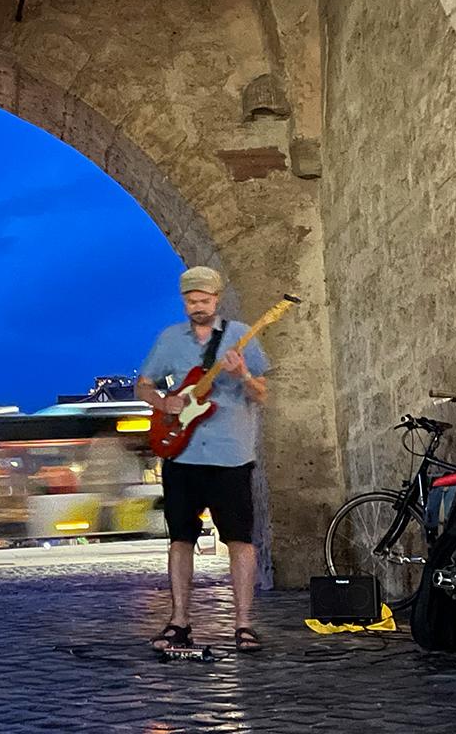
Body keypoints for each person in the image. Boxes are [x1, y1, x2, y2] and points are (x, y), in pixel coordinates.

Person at [136, 266, 270, 653]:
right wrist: (165, 402)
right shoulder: (169, 340)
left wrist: (243, 373)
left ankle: (244, 624)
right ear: (184, 301)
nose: (198, 307)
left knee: (240, 540)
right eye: (191, 301)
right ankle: (179, 622)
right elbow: (143, 385)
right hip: (183, 453)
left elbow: (263, 394)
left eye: (205, 301)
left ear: (217, 299)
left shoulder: (240, 337)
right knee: (180, 538)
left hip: (231, 453)